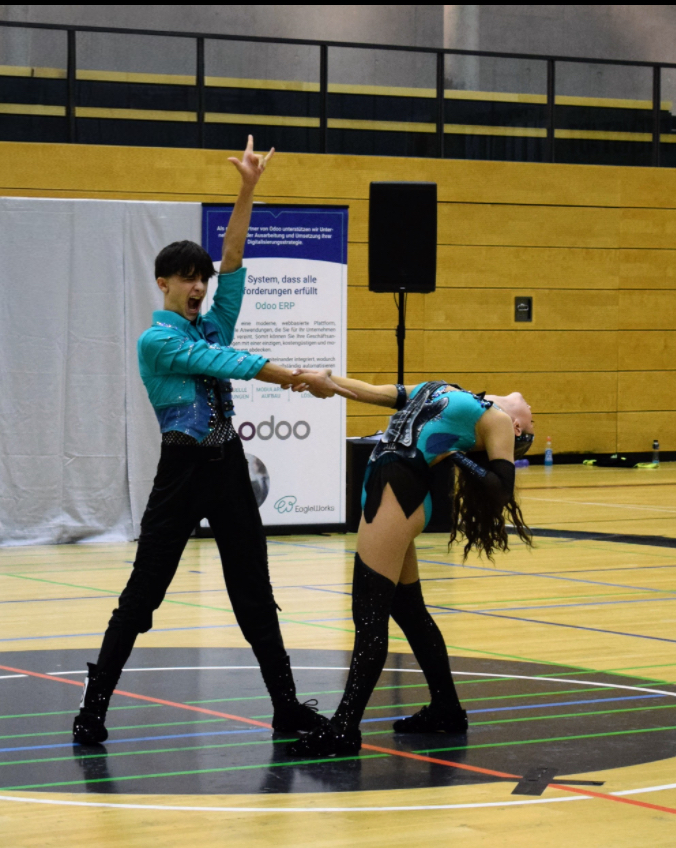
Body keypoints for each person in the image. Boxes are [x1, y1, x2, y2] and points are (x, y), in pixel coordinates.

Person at [73, 137, 353, 745]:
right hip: (180, 472)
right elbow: (232, 363)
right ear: (163, 284)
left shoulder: (213, 317)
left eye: (201, 279)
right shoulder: (158, 341)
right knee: (143, 595)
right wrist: (299, 377)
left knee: (255, 592)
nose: (199, 287)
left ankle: (285, 706)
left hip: (227, 468)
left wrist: (247, 189)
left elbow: (233, 255)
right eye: (186, 278)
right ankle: (93, 708)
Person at [287, 378, 535, 757]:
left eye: (529, 426)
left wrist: (456, 455)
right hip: (390, 490)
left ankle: (344, 728)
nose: (531, 414)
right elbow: (381, 392)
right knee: (409, 610)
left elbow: (500, 489)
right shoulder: (451, 391)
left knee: (369, 616)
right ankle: (446, 709)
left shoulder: (497, 420)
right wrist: (329, 382)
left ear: (515, 429)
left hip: (397, 496)